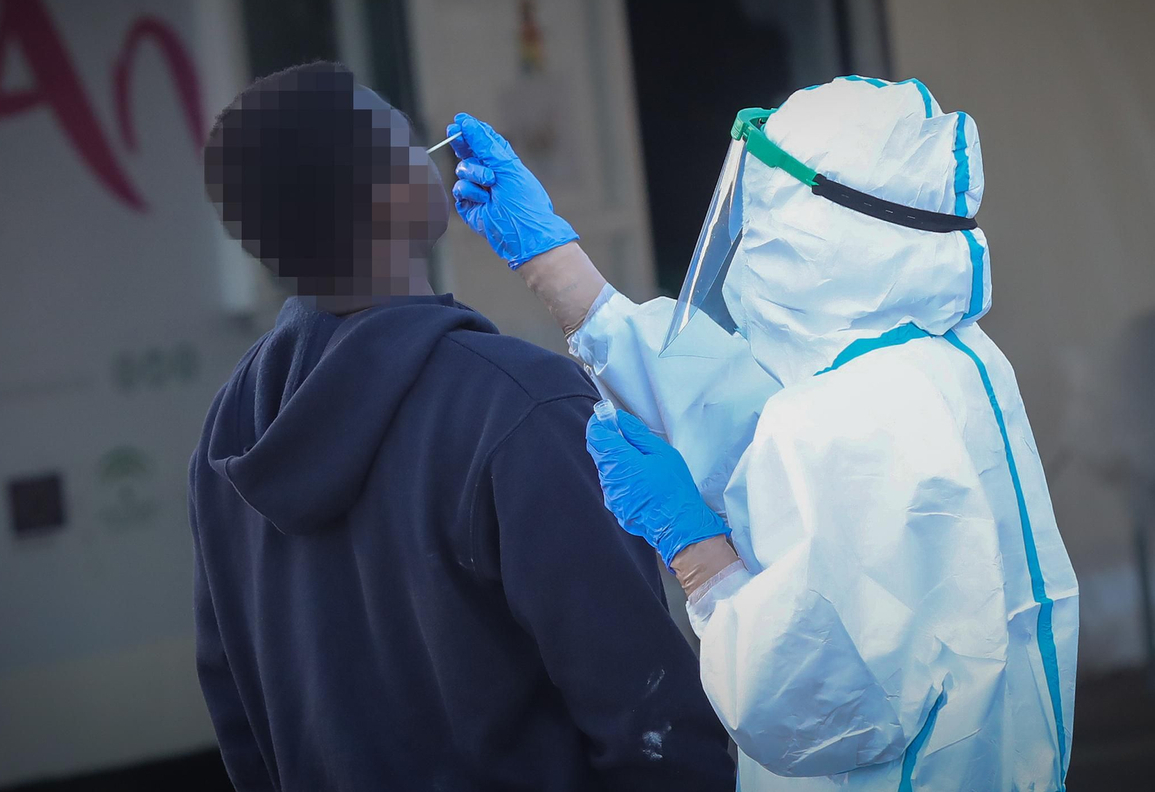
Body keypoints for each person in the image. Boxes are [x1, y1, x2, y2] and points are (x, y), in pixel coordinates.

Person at [447, 76, 1079, 790]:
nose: (750, 241)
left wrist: (696, 554)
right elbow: (741, 413)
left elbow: (803, 706)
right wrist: (555, 265)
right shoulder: (924, 358)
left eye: (765, 214)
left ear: (817, 230)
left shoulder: (863, 417)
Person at [189, 61, 734, 792]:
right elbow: (651, 722)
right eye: (407, 140)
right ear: (395, 193)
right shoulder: (522, 406)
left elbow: (236, 710)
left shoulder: (230, 427)